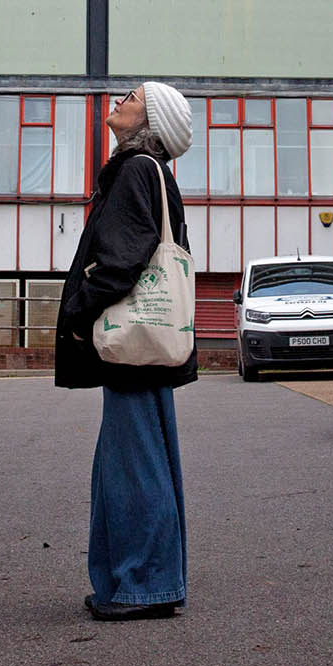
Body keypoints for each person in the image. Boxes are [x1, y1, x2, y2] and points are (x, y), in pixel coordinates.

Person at [54, 80, 198, 622]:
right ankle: (145, 581)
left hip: (131, 342)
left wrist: (78, 313)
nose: (119, 101)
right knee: (143, 461)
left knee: (131, 467)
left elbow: (122, 256)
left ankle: (140, 585)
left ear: (150, 121)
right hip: (150, 343)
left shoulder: (138, 171)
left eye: (132, 97)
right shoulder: (154, 174)